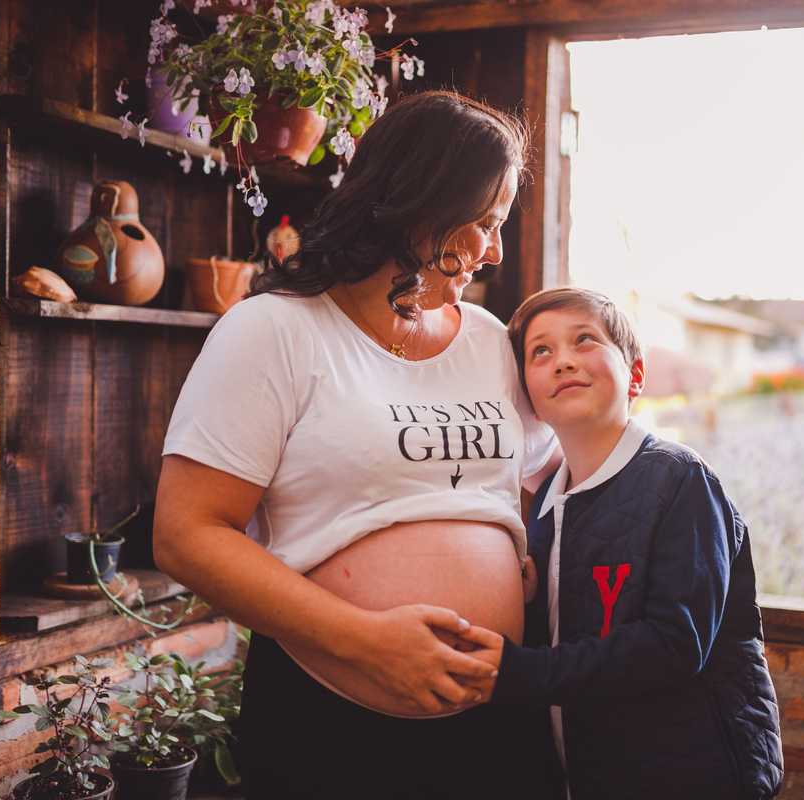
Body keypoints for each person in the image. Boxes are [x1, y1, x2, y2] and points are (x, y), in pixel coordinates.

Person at [152, 91, 563, 798]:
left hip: (498, 719)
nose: (493, 251)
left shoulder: (495, 344)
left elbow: (535, 478)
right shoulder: (274, 332)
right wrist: (365, 640)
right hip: (330, 726)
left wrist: (516, 556)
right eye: (482, 224)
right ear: (417, 201)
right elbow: (186, 534)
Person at [468, 286, 784, 798]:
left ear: (635, 375)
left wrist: (521, 672)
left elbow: (674, 644)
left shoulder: (680, 480)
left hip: (690, 775)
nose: (563, 361)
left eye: (584, 340)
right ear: (530, 400)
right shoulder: (547, 499)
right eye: (540, 351)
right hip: (591, 773)